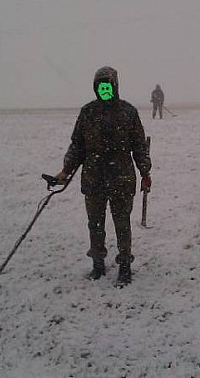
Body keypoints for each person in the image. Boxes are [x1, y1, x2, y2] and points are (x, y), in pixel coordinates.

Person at [54, 66, 152, 286]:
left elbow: (139, 146)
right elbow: (77, 146)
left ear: (115, 86)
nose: (105, 91)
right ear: (96, 88)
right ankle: (98, 263)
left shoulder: (128, 112)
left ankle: (125, 266)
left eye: (108, 86)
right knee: (95, 224)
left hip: (122, 179)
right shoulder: (87, 112)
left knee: (122, 224)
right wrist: (65, 170)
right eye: (101, 87)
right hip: (93, 179)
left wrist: (145, 171)